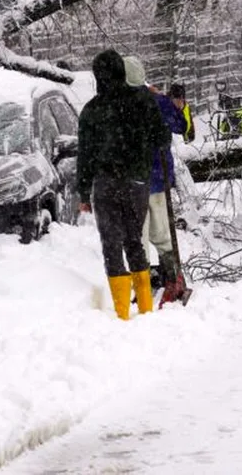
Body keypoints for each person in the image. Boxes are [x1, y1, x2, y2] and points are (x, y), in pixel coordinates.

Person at [76, 50, 171, 320]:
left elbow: (85, 155)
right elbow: (162, 138)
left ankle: (121, 313)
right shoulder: (143, 100)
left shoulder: (92, 110)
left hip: (105, 185)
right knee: (134, 242)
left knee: (111, 245)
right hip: (136, 182)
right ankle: (145, 307)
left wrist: (84, 192)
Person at [124, 57, 188, 297]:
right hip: (157, 176)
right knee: (161, 231)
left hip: (132, 179)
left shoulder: (115, 105)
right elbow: (182, 127)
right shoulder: (158, 102)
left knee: (137, 233)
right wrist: (176, 106)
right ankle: (171, 276)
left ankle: (143, 280)